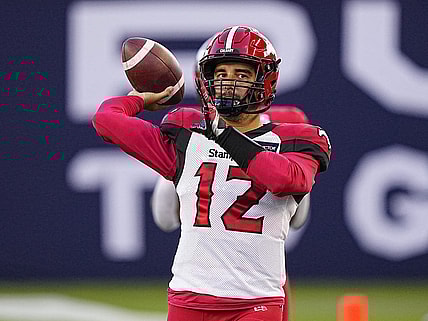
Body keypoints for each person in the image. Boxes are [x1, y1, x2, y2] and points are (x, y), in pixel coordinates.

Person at [93, 26, 331, 321]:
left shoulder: (298, 138)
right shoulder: (187, 134)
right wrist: (140, 98)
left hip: (255, 301)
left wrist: (223, 134)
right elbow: (105, 120)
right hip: (188, 297)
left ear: (264, 80)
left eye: (241, 75)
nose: (229, 83)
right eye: (221, 74)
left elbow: (284, 179)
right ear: (207, 80)